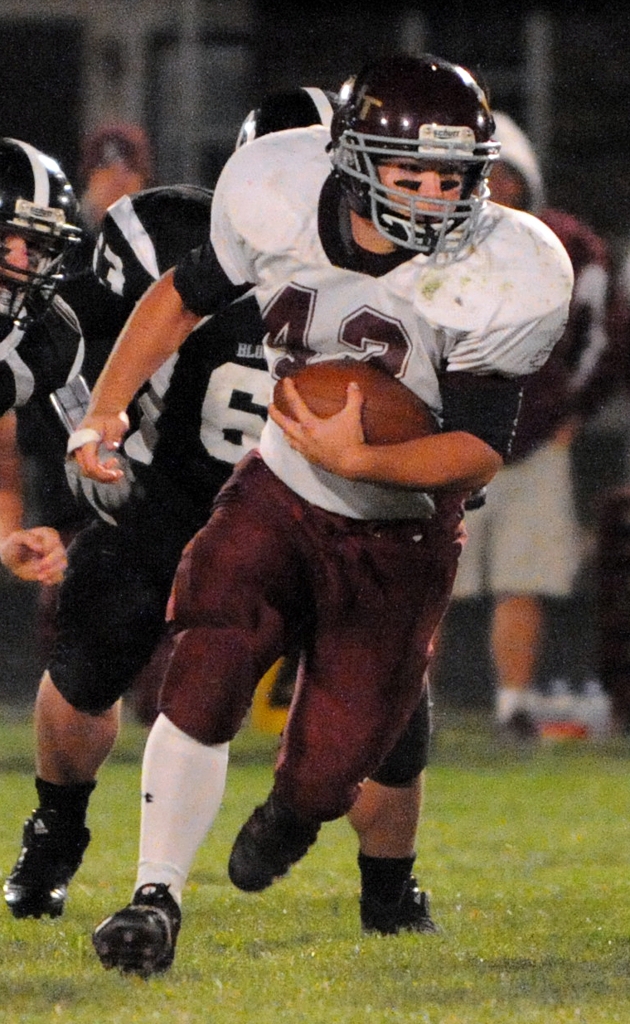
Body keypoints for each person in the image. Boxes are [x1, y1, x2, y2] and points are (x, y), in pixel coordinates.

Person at [69, 53, 572, 976]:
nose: (429, 195)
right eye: (406, 171)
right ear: (349, 159)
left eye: (450, 177)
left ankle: (298, 813)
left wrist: (365, 458)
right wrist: (106, 405)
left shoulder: (508, 263)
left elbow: (478, 450)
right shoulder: (277, 190)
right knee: (206, 657)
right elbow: (181, 297)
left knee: (329, 767)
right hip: (281, 483)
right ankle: (153, 896)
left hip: (404, 526)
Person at [4, 87, 436, 941]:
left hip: (331, 507)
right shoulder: (168, 235)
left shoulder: (403, 265)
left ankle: (388, 891)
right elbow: (69, 337)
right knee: (88, 653)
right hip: (172, 500)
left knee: (388, 711)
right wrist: (82, 440)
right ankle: (57, 835)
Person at [442, 110, 615, 740]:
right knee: (427, 580)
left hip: (533, 439)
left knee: (523, 578)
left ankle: (513, 704)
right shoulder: (435, 236)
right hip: (448, 439)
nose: (496, 187)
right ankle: (408, 704)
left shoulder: (565, 244)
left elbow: (603, 338)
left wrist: (573, 412)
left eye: (504, 174)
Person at [0, 137, 85, 592]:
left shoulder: (49, 340)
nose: (18, 261)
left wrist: (8, 536)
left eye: (34, 244)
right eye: (3, 240)